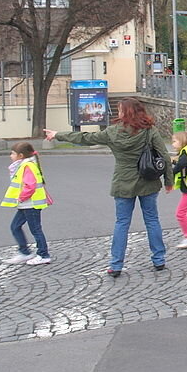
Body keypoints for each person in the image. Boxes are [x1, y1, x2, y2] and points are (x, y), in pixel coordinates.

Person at [44, 97, 172, 277]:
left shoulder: (112, 132)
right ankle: (159, 260)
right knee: (152, 220)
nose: (118, 112)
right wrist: (168, 181)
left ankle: (116, 265)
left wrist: (57, 134)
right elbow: (164, 156)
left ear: (125, 113)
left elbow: (84, 138)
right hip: (148, 181)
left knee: (122, 223)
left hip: (123, 182)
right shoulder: (149, 131)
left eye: (120, 109)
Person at [1, 141, 53, 265]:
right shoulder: (24, 165)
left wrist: (21, 198)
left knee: (35, 230)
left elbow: (30, 185)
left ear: (20, 156)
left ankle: (43, 254)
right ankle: (25, 252)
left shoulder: (27, 166)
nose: (10, 155)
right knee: (15, 227)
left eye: (13, 153)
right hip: (26, 204)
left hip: (31, 204)